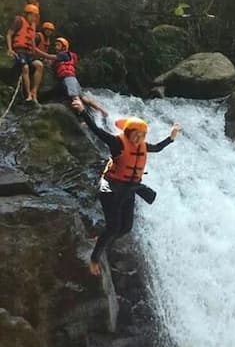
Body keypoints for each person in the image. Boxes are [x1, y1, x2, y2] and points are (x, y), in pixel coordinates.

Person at [71, 97, 182, 276]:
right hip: (110, 188)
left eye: (143, 135)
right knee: (114, 226)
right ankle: (93, 259)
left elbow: (158, 148)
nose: (140, 138)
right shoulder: (117, 143)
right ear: (129, 132)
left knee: (126, 227)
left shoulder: (143, 146)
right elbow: (97, 131)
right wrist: (83, 111)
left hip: (129, 189)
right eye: (136, 134)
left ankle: (103, 238)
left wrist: (171, 137)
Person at [44, 37, 108, 116]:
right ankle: (102, 111)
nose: (55, 47)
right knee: (84, 99)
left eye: (58, 45)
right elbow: (52, 62)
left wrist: (35, 49)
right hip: (71, 79)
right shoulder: (63, 57)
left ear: (64, 47)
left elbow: (48, 56)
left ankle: (84, 116)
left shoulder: (64, 54)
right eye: (55, 45)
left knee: (75, 98)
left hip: (68, 78)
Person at [6, 3, 44, 102]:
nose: (34, 18)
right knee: (25, 68)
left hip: (29, 52)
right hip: (19, 50)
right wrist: (10, 49)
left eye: (35, 16)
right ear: (27, 14)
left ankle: (34, 91)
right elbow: (9, 34)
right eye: (32, 15)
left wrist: (40, 54)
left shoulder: (33, 25)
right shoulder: (19, 21)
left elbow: (32, 43)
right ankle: (28, 95)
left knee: (39, 65)